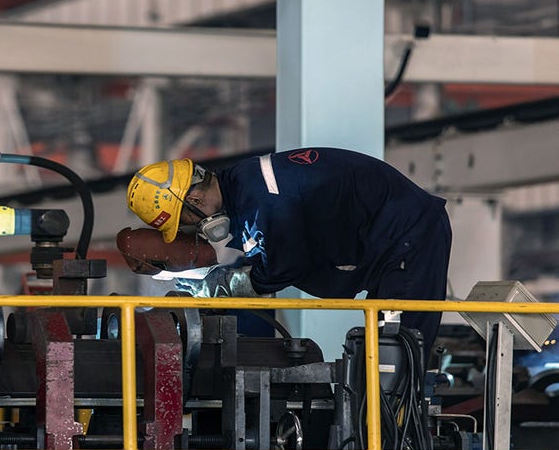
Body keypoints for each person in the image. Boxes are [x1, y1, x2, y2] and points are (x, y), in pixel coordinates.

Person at [125, 147, 452, 357]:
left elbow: (283, 268)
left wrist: (220, 286)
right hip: (386, 246)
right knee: (381, 351)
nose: (195, 229)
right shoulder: (245, 189)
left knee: (400, 354)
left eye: (187, 222)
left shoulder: (262, 197)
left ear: (193, 201)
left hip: (408, 238)